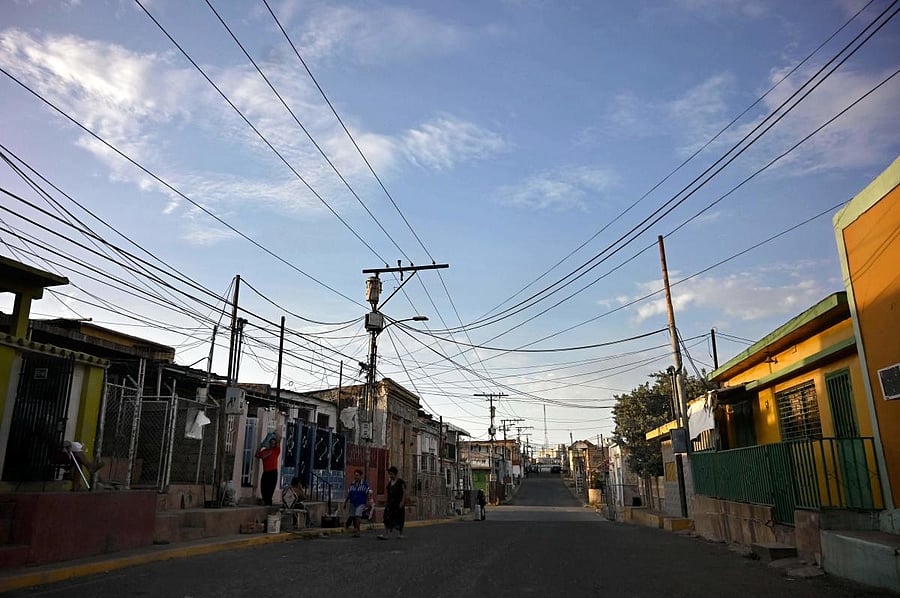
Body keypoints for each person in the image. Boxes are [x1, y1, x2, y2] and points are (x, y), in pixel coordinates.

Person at [378, 465, 406, 540]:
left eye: (391, 474)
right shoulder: (390, 483)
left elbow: (404, 492)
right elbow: (388, 492)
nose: (390, 476)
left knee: (400, 518)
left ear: (395, 474)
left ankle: (400, 533)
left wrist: (402, 502)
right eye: (389, 474)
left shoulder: (400, 482)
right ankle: (386, 533)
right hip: (390, 503)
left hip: (398, 503)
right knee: (386, 517)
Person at [344, 469, 371, 537]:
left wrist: (368, 502)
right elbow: (349, 494)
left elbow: (368, 493)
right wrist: (345, 502)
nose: (355, 477)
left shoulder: (364, 485)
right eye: (355, 475)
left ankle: (358, 531)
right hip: (353, 503)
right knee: (353, 516)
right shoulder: (352, 484)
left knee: (358, 515)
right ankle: (356, 529)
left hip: (361, 503)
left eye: (357, 475)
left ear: (360, 476)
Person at [256, 436, 280, 506]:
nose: (272, 445)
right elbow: (257, 455)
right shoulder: (264, 452)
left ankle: (268, 503)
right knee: (263, 487)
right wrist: (260, 446)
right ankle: (265, 501)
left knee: (270, 489)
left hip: (273, 472)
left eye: (274, 443)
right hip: (266, 472)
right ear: (269, 443)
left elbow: (279, 440)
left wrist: (277, 434)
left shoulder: (276, 451)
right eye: (271, 443)